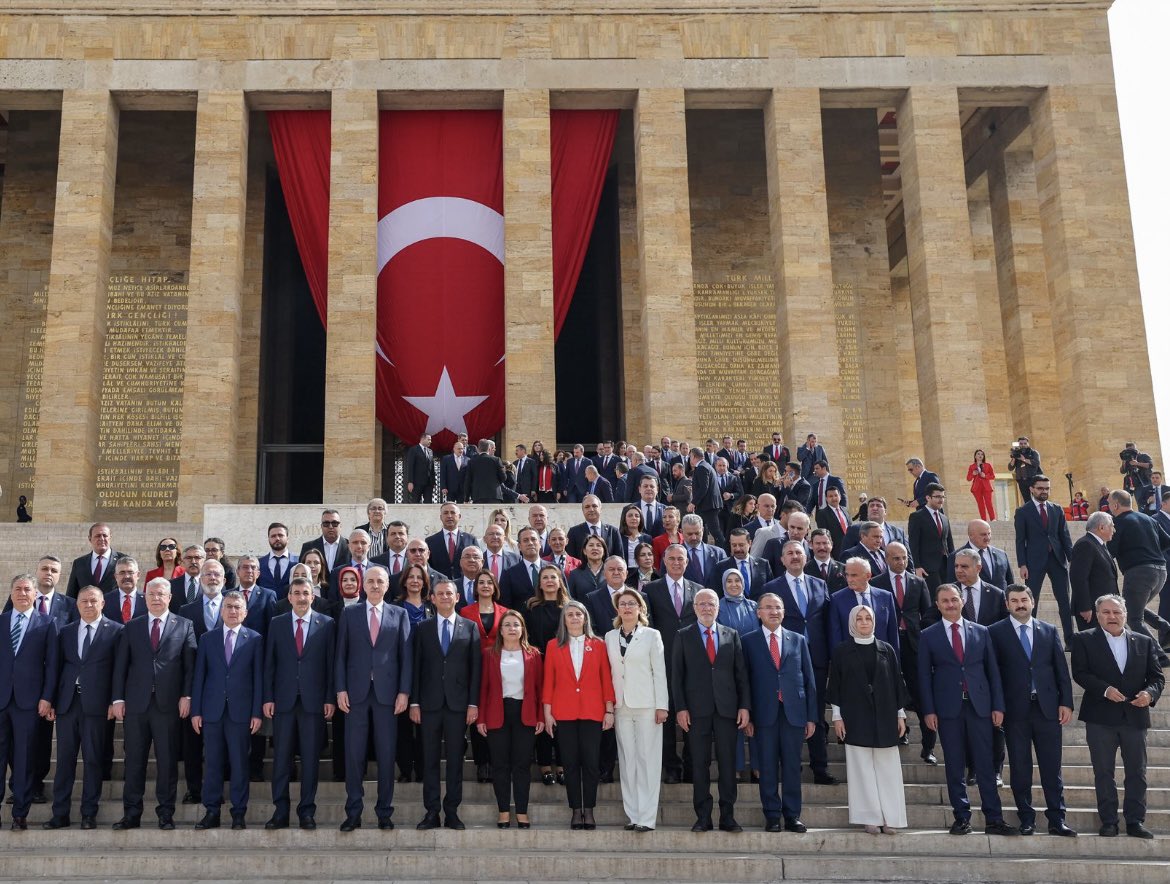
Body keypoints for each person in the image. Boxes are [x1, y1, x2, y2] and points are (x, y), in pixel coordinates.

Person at [918, 584, 1017, 836]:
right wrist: (928, 711)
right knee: (954, 764)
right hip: (947, 709)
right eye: (944, 601)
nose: (950, 604)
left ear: (962, 601)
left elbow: (993, 672)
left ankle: (994, 818)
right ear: (938, 605)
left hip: (980, 706)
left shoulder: (981, 632)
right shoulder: (928, 635)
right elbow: (923, 678)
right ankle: (962, 817)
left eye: (954, 599)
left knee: (985, 763)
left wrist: (998, 705)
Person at [1071, 594, 1164, 839]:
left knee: (1137, 771)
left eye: (1116, 612)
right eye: (1106, 612)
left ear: (1125, 614)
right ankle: (1109, 821)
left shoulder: (1144, 641)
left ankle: (1135, 821)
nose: (1112, 617)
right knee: (1103, 772)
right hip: (1100, 717)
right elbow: (1080, 673)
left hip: (1135, 716)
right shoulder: (1083, 639)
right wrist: (1105, 689)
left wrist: (1149, 694)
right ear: (1098, 614)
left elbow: (1157, 677)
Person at [988, 585, 1077, 837]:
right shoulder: (995, 632)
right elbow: (994, 674)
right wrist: (997, 706)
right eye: (1014, 600)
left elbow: (1061, 670)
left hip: (1047, 708)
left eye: (1024, 599)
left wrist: (1066, 702)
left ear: (1033, 601)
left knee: (1052, 767)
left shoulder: (1048, 630)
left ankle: (1057, 820)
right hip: (1015, 711)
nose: (1020, 604)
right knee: (1020, 766)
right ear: (1007, 604)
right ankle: (1026, 817)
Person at [110, 577, 197, 831]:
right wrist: (118, 698)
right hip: (136, 705)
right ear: (144, 597)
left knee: (167, 761)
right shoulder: (132, 626)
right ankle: (131, 814)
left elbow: (190, 666)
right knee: (134, 760)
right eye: (151, 594)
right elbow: (121, 666)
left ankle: (165, 814)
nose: (156, 598)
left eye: (161, 594)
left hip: (168, 705)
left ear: (169, 597)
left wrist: (187, 695)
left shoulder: (185, 625)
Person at [335, 565, 412, 832]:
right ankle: (353, 811)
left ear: (387, 586)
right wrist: (340, 689)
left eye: (380, 581)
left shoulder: (399, 614)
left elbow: (405, 657)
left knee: (386, 753)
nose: (375, 585)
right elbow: (340, 656)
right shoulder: (349, 613)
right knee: (354, 755)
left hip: (388, 696)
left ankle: (384, 812)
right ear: (363, 586)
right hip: (355, 694)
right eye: (370, 581)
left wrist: (404, 691)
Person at [672, 588, 750, 833]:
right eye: (701, 604)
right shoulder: (683, 635)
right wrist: (681, 708)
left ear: (718, 607)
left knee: (728, 764)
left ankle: (728, 816)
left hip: (727, 710)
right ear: (694, 608)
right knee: (699, 764)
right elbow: (677, 676)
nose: (706, 608)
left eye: (711, 604)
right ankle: (703, 816)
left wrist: (744, 706)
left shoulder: (732, 635)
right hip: (696, 711)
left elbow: (741, 676)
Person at [827, 604, 909, 834]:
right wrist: (837, 716)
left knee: (888, 768)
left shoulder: (887, 649)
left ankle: (891, 817)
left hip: (885, 714)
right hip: (855, 714)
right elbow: (836, 685)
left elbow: (896, 683)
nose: (864, 622)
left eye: (868, 618)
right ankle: (869, 817)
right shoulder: (842, 650)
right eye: (860, 619)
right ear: (853, 622)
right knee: (861, 767)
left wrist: (900, 714)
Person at [263, 576, 336, 831]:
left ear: (312, 596)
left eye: (306, 592)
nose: (302, 597)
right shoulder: (277, 623)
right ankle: (280, 812)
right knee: (281, 760)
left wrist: (329, 698)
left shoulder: (326, 624)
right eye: (297, 593)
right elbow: (269, 663)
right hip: (283, 701)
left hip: (313, 703)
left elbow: (330, 665)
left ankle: (307, 811)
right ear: (290, 597)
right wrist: (268, 697)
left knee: (310, 759)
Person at [45, 586, 120, 830]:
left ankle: (89, 813)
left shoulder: (116, 631)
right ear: (77, 605)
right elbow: (56, 668)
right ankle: (60, 814)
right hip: (68, 704)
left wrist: (114, 699)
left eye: (93, 601)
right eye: (84, 601)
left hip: (98, 706)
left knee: (93, 760)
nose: (88, 605)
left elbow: (119, 671)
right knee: (65, 761)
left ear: (102, 604)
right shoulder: (65, 632)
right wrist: (53, 700)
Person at [760, 540, 835, 784]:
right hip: (786, 660)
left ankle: (820, 767)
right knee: (786, 712)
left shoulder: (820, 584)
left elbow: (826, 621)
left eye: (799, 553)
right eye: (789, 553)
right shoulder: (772, 587)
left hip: (818, 657)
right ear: (781, 559)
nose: (794, 556)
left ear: (806, 557)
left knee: (816, 710)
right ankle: (788, 765)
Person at [742, 593, 817, 832]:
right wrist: (749, 715)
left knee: (793, 766)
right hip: (764, 714)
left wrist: (811, 716)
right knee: (767, 765)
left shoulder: (797, 639)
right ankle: (772, 815)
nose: (773, 612)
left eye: (778, 607)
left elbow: (808, 679)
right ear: (758, 613)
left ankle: (792, 815)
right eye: (768, 608)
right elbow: (745, 681)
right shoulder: (748, 641)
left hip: (793, 713)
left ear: (784, 612)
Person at [411, 579, 481, 831]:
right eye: (439, 593)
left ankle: (452, 811)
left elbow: (476, 669)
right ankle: (431, 812)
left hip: (458, 705)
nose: (444, 597)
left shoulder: (470, 627)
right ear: (432, 598)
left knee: (455, 760)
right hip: (428, 705)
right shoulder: (422, 628)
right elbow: (416, 668)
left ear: (458, 596)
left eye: (448, 593)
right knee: (429, 760)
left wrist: (473, 704)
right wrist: (414, 702)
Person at [190, 591, 263, 830]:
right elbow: (199, 677)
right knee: (212, 763)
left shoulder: (254, 639)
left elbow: (258, 679)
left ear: (245, 612)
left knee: (240, 764)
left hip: (241, 714)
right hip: (212, 712)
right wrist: (196, 711)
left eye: (237, 607)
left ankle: (238, 813)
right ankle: (211, 812)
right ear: (222, 611)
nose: (232, 611)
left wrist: (256, 712)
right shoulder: (207, 639)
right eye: (228, 607)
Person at [542, 601, 615, 830]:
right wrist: (547, 713)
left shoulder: (599, 645)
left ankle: (589, 810)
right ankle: (576, 810)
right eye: (570, 614)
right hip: (564, 712)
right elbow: (548, 681)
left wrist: (609, 709)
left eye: (578, 614)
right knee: (570, 763)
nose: (574, 618)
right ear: (564, 619)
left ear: (585, 619)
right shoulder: (554, 646)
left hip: (593, 712)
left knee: (591, 763)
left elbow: (606, 679)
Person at [605, 588, 668, 832]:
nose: (627, 607)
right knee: (628, 760)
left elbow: (659, 672)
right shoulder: (610, 637)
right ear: (617, 609)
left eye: (632, 603)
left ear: (640, 608)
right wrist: (609, 705)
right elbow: (610, 673)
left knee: (647, 760)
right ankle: (632, 815)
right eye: (623, 604)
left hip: (647, 705)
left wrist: (662, 706)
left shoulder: (652, 635)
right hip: (621, 706)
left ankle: (646, 817)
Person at [0, 574, 59, 830]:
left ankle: (19, 813)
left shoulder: (47, 624)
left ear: (36, 594)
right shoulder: (1, 622)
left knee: (24, 759)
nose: (22, 593)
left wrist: (47, 697)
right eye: (17, 589)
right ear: (11, 593)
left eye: (27, 589)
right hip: (1, 700)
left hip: (30, 702)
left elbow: (52, 666)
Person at [478, 609, 543, 828]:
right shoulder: (489, 654)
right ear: (501, 630)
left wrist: (541, 716)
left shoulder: (533, 654)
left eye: (516, 625)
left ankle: (522, 811)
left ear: (522, 628)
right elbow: (484, 688)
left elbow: (539, 689)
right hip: (498, 712)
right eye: (507, 625)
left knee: (522, 765)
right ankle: (504, 810)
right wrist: (481, 719)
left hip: (525, 713)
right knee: (500, 765)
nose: (512, 629)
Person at [643, 543, 702, 783]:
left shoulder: (698, 590)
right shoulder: (651, 590)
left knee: (692, 718)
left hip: (691, 665)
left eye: (681, 559)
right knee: (666, 719)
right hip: (663, 663)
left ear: (687, 562)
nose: (677, 562)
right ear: (664, 562)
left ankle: (690, 767)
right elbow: (649, 625)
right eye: (672, 559)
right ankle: (671, 767)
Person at [871, 542, 933, 759]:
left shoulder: (918, 582)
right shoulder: (876, 583)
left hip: (913, 643)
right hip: (887, 643)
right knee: (890, 689)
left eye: (904, 558)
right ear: (887, 559)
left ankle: (929, 746)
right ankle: (900, 732)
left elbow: (928, 615)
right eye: (896, 558)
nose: (901, 562)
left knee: (920, 691)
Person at [1014, 475, 1076, 643]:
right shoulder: (1022, 512)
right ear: (1032, 489)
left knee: (1065, 601)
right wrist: (1022, 564)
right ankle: (1029, 637)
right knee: (1030, 601)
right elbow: (1020, 540)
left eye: (1047, 488)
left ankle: (1070, 641)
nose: (1044, 491)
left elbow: (1065, 537)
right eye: (1040, 488)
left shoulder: (1057, 509)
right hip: (1034, 562)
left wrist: (1073, 560)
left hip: (1057, 559)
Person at [1106, 489, 1170, 648]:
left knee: (1133, 618)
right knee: (1131, 607)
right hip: (1160, 571)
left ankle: (1159, 655)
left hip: (1139, 573)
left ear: (1115, 505)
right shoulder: (1148, 519)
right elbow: (1167, 542)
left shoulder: (1118, 522)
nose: (1108, 507)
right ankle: (1165, 627)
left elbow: (1110, 551)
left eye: (1108, 504)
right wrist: (1149, 551)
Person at [524, 564, 569, 786]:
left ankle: (561, 764)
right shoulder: (531, 608)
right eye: (545, 578)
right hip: (539, 665)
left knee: (561, 714)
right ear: (539, 584)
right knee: (542, 713)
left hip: (564, 668)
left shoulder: (569, 607)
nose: (550, 581)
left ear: (560, 581)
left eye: (553, 577)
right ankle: (544, 765)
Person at [1069, 511, 1119, 631]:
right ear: (1101, 527)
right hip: (1092, 610)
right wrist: (1085, 607)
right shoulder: (1086, 544)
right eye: (1112, 525)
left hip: (1103, 609)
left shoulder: (1099, 544)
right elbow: (1079, 578)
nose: (1114, 530)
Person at [947, 519, 1014, 589]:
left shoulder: (1001, 555)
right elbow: (952, 587)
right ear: (971, 535)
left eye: (989, 534)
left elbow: (1010, 583)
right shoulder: (956, 557)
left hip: (1001, 599)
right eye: (983, 534)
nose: (987, 538)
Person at [65, 522, 122, 598]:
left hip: (113, 609)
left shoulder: (122, 560)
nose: (102, 539)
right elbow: (71, 594)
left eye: (105, 535)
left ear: (110, 537)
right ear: (90, 539)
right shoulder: (79, 563)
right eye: (97, 536)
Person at [425, 503, 479, 580]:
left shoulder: (470, 539)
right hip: (439, 585)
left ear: (459, 516)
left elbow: (478, 564)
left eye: (453, 513)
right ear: (441, 517)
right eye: (446, 513)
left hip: (463, 585)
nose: (449, 516)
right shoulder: (430, 541)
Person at [566, 494, 622, 561]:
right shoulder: (574, 532)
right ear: (583, 511)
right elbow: (571, 561)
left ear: (600, 509)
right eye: (587, 507)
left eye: (594, 506)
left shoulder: (613, 532)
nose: (591, 509)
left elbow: (620, 559)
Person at [299, 509, 349, 574]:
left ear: (340, 526)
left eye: (335, 523)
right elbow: (302, 572)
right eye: (326, 523)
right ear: (321, 526)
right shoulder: (308, 547)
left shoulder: (350, 546)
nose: (331, 527)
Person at [257, 522, 297, 598]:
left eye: (280, 535)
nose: (277, 538)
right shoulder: (259, 563)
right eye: (273, 536)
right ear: (268, 539)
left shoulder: (298, 562)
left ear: (287, 538)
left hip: (289, 607)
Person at [462, 438, 507, 503]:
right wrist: (495, 482)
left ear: (477, 449)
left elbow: (468, 481)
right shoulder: (496, 460)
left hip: (477, 496)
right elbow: (504, 477)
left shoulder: (471, 462)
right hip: (494, 495)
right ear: (489, 449)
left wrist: (466, 499)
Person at [105, 556, 147, 624]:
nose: (126, 576)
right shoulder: (105, 600)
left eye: (130, 572)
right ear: (116, 576)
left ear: (138, 575)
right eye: (122, 573)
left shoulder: (148, 599)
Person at [567, 534, 608, 602]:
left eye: (598, 545)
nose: (595, 548)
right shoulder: (575, 574)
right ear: (584, 551)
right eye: (591, 545)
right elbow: (570, 599)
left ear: (604, 551)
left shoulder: (611, 572)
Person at [616, 503, 653, 568]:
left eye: (637, 516)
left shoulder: (647, 538)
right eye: (630, 515)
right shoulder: (618, 537)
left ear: (640, 519)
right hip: (624, 574)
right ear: (624, 519)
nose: (634, 518)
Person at [1008, 437, 1042, 501]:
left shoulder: (1033, 452)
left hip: (1033, 479)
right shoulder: (1017, 453)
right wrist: (1014, 457)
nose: (1023, 445)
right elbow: (1010, 468)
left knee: (1037, 499)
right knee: (1027, 500)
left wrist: (1024, 459)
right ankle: (1030, 511)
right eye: (1021, 443)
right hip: (1022, 480)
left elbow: (1036, 463)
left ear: (1028, 444)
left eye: (1025, 443)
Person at [404, 433, 436, 503]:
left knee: (428, 503)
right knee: (415, 502)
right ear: (422, 439)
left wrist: (433, 482)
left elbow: (432, 468)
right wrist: (410, 482)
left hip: (428, 483)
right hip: (417, 483)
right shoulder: (414, 450)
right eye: (429, 439)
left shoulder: (430, 451)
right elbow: (410, 466)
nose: (430, 441)